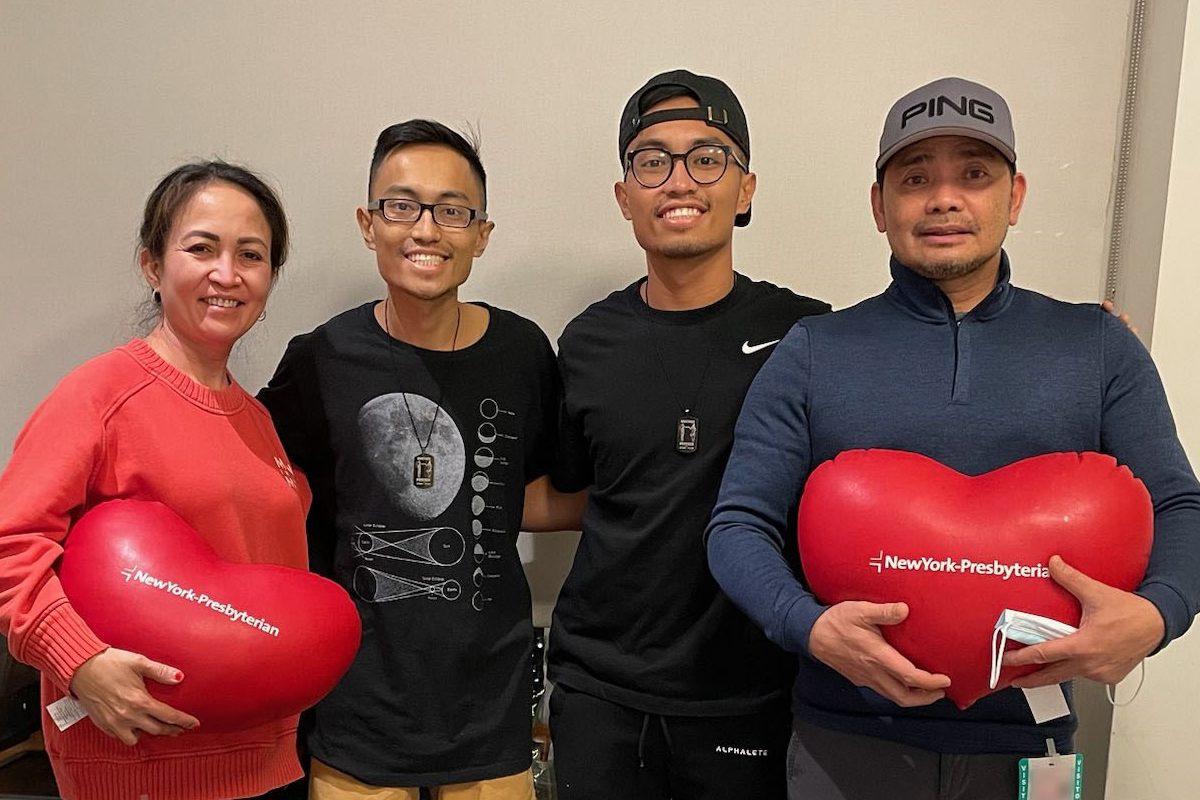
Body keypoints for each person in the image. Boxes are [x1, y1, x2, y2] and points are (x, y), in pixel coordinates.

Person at [706, 76, 1200, 799]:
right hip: (846, 743)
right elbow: (738, 523)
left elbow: (1180, 506)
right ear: (880, 206)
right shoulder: (815, 350)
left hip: (1033, 747)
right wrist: (807, 627)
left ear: (1015, 195)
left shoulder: (1096, 345)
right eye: (915, 178)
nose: (944, 198)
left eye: (973, 173)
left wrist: (1158, 615)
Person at [259, 119, 571, 800]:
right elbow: (261, 491)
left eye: (452, 211)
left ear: (481, 234)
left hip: (488, 711)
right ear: (369, 224)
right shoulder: (321, 359)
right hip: (356, 710)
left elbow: (545, 492)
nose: (426, 229)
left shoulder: (522, 352)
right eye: (401, 206)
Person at [547, 70, 830, 800]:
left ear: (745, 189)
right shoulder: (587, 341)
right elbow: (579, 495)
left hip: (748, 694)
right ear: (624, 196)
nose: (679, 181)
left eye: (707, 158)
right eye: (651, 161)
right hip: (598, 692)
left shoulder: (807, 334)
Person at [0, 160, 311, 799]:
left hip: (267, 766)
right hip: (140, 768)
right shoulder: (101, 393)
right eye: (202, 248)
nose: (227, 274)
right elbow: (10, 545)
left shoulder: (259, 421)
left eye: (250, 255)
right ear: (152, 265)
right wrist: (79, 663)